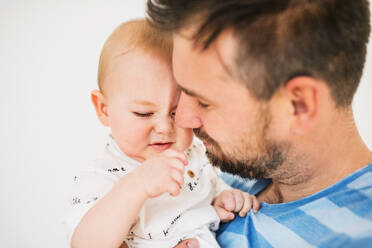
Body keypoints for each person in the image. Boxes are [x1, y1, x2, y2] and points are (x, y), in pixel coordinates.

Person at [147, 0, 372, 247]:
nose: (181, 120)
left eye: (204, 101)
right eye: (182, 91)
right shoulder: (229, 174)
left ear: (300, 105)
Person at [65, 19, 260, 248]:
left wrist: (223, 199)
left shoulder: (195, 155)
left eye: (176, 112)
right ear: (104, 110)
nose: (164, 128)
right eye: (144, 113)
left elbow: (207, 193)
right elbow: (85, 244)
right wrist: (137, 185)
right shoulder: (103, 175)